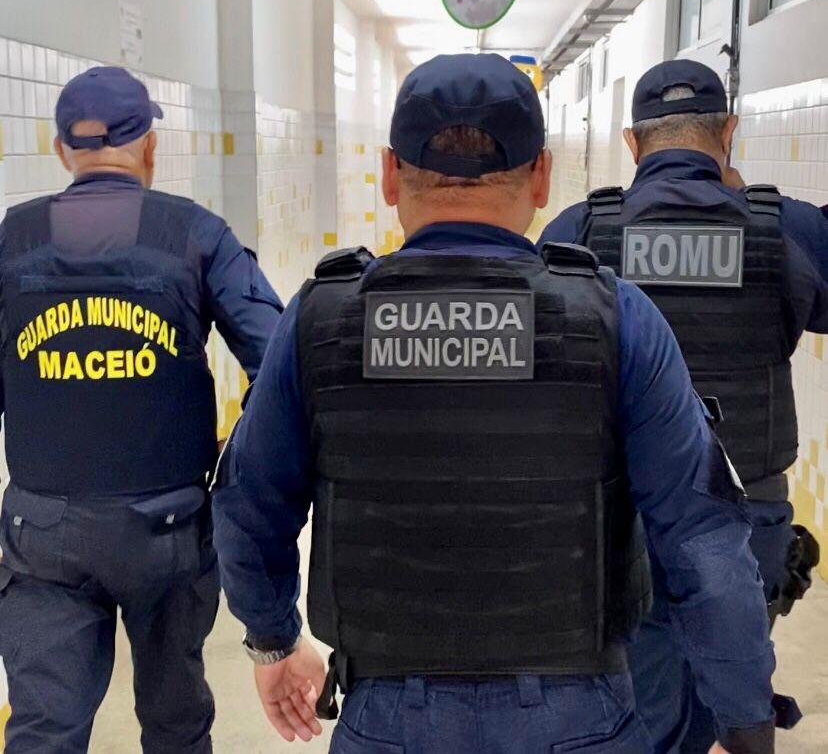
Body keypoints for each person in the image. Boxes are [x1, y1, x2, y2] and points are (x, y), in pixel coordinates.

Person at [212, 54, 776, 754]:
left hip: (388, 716)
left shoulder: (320, 318)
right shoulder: (615, 318)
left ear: (388, 174)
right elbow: (703, 541)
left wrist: (272, 638)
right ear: (541, 177)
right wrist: (743, 722)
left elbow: (247, 504)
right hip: (582, 717)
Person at [539, 59, 828, 753]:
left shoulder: (581, 232)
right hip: (747, 514)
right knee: (729, 683)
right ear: (729, 131)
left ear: (632, 143)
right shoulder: (786, 229)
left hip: (621, 515)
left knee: (637, 699)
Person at [0, 66, 283, 754]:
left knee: (44, 729)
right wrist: (236, 466)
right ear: (150, 144)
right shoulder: (195, 234)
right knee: (176, 724)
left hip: (42, 531)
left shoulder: (13, 237)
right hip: (168, 529)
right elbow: (279, 364)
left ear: (61, 148)